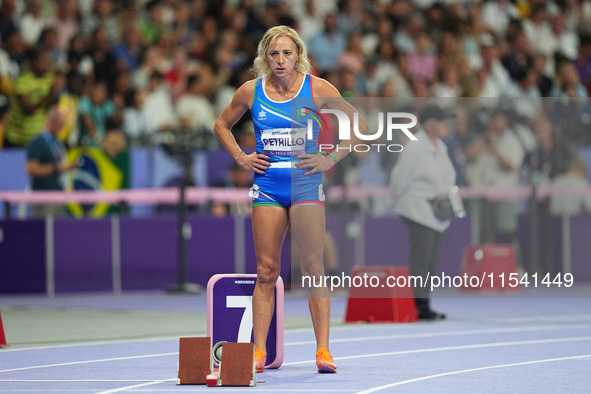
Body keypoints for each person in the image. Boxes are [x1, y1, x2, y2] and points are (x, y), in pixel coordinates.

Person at [214, 25, 362, 374]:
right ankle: (258, 352)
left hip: (307, 186)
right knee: (266, 271)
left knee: (313, 268)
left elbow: (357, 125)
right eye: (274, 54)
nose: (280, 60)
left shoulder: (318, 88)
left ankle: (323, 350)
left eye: (287, 53)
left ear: (299, 56)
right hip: (268, 186)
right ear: (265, 57)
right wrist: (241, 157)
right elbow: (222, 125)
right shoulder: (251, 92)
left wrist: (330, 158)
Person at [389, 104, 456, 321]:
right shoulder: (416, 146)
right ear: (429, 124)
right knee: (422, 258)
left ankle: (424, 302)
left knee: (431, 259)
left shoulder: (441, 146)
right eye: (442, 120)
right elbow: (400, 178)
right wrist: (399, 201)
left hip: (437, 212)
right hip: (418, 208)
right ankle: (419, 305)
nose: (447, 125)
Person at [25, 107, 74, 218]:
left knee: (59, 231)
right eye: (60, 124)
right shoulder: (37, 142)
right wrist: (55, 168)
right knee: (46, 231)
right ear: (51, 122)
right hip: (44, 196)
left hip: (59, 194)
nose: (62, 128)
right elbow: (30, 169)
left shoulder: (57, 142)